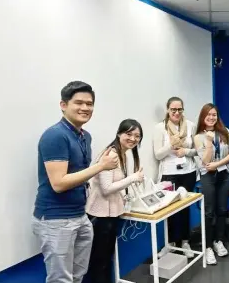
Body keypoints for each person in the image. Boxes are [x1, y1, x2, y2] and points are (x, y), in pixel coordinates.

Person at [32, 81, 119, 283]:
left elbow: (81, 175)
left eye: (89, 104)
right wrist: (100, 167)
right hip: (56, 219)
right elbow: (59, 183)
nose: (85, 108)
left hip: (80, 215)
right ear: (63, 105)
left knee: (78, 275)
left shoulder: (84, 136)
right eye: (78, 102)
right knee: (60, 279)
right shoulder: (55, 135)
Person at [86, 119, 145, 283]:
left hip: (110, 214)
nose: (133, 139)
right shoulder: (111, 154)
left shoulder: (122, 153)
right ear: (119, 133)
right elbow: (106, 188)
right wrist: (133, 178)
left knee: (106, 258)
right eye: (129, 134)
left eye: (137, 136)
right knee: (100, 261)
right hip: (100, 216)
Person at [153, 97, 197, 258]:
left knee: (184, 208)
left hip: (188, 172)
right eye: (173, 110)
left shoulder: (190, 125)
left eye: (179, 110)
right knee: (169, 210)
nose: (176, 113)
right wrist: (171, 145)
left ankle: (185, 242)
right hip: (169, 173)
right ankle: (170, 243)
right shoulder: (160, 128)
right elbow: (158, 155)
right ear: (168, 110)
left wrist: (185, 151)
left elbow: (195, 150)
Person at [194, 103, 229, 265]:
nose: (211, 118)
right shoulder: (198, 137)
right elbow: (204, 161)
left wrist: (218, 164)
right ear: (203, 117)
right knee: (209, 211)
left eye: (214, 115)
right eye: (208, 115)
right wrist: (210, 142)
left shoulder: (226, 132)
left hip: (225, 174)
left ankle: (219, 241)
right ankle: (208, 246)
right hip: (208, 176)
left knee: (222, 209)